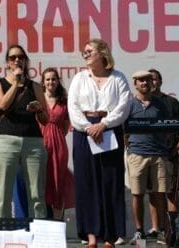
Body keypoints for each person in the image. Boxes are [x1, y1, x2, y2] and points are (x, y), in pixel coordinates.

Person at [68, 39, 132, 248]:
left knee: (110, 182)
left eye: (89, 51)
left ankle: (110, 237)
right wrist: (89, 127)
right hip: (84, 131)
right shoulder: (79, 78)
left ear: (102, 53)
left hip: (109, 129)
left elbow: (123, 107)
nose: (85, 54)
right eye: (84, 52)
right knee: (87, 184)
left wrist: (103, 124)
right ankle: (91, 236)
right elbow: (73, 107)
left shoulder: (118, 78)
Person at [0, 45, 48, 220]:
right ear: (7, 62)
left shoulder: (35, 86)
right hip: (5, 140)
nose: (17, 60)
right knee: (3, 195)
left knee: (36, 195)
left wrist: (39, 110)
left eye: (21, 57)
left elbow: (46, 119)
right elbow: (2, 105)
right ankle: (2, 236)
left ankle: (39, 237)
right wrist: (15, 83)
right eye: (13, 57)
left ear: (25, 60)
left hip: (33, 142)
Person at [126, 71, 173, 245]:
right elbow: (124, 129)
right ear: (135, 84)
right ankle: (139, 232)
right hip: (137, 154)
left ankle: (160, 230)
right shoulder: (129, 104)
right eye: (141, 80)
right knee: (137, 194)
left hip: (158, 155)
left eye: (147, 80)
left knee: (160, 193)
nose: (145, 83)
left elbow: (169, 130)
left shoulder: (161, 104)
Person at [148, 68, 179, 243]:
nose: (151, 82)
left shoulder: (172, 103)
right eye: (147, 79)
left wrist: (176, 148)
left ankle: (172, 229)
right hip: (148, 154)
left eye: (154, 79)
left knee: (170, 192)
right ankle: (156, 228)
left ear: (160, 81)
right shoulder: (140, 103)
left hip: (169, 154)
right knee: (153, 193)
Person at [40, 67, 74, 219]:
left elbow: (66, 126)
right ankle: (43, 222)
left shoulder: (64, 101)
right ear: (43, 82)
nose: (50, 82)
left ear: (58, 81)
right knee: (42, 182)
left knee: (57, 182)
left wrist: (56, 136)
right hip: (40, 144)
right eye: (47, 79)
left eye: (53, 79)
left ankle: (57, 223)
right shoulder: (38, 99)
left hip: (59, 147)